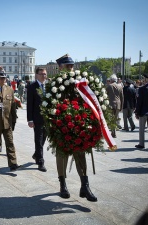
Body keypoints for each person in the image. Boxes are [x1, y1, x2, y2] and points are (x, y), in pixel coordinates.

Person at [54, 54, 97, 201]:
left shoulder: (80, 82)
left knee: (81, 153)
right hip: (61, 125)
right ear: (60, 68)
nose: (71, 68)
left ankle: (85, 186)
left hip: (78, 125)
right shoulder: (54, 84)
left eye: (72, 65)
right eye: (67, 66)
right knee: (62, 155)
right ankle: (63, 184)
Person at [27, 67, 47, 172]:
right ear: (36, 75)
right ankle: (40, 161)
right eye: (41, 74)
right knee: (38, 140)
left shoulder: (49, 86)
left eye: (45, 74)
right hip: (37, 118)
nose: (44, 76)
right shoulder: (32, 87)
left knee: (44, 138)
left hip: (47, 119)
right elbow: (29, 104)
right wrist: (30, 119)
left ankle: (36, 154)